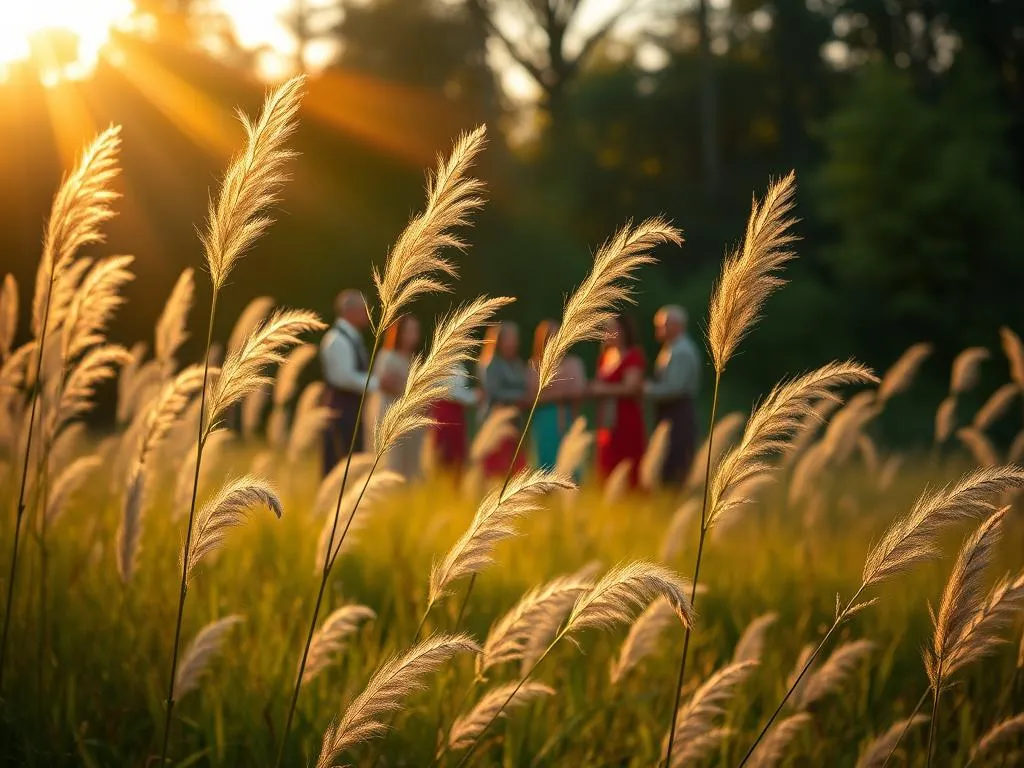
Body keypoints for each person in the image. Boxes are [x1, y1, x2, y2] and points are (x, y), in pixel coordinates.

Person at [319, 289, 379, 476]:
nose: (368, 313)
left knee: (352, 461)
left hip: (352, 408)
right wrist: (378, 383)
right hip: (341, 410)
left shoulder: (351, 336)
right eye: (364, 309)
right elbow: (343, 377)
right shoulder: (337, 339)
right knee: (339, 461)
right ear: (350, 311)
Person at [590, 312, 647, 488]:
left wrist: (603, 389)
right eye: (606, 330)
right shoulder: (605, 357)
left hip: (626, 418)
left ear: (623, 331)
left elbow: (632, 388)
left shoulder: (633, 355)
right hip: (607, 420)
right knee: (607, 464)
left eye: (612, 329)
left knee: (627, 463)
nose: (608, 334)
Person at [646, 305, 701, 485]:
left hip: (677, 412)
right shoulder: (672, 348)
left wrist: (646, 389)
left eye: (662, 325)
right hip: (672, 411)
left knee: (675, 460)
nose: (658, 330)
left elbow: (675, 388)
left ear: (677, 326)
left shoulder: (681, 351)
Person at [366, 314, 423, 480]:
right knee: (392, 461)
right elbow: (386, 383)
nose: (413, 335)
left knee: (411, 465)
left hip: (412, 418)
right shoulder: (387, 356)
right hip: (390, 415)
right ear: (398, 332)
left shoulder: (414, 359)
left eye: (415, 331)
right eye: (409, 331)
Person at [528, 319, 586, 470]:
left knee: (569, 463)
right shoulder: (535, 365)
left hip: (569, 417)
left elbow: (579, 391)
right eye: (549, 336)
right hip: (544, 419)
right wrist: (561, 394)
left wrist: (552, 393)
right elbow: (531, 397)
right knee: (545, 462)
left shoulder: (574, 362)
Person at [478, 321, 530, 478]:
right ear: (499, 341)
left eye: (515, 338)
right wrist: (519, 398)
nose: (514, 342)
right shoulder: (491, 364)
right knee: (496, 472)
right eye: (510, 338)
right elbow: (493, 392)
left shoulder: (518, 364)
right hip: (496, 424)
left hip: (514, 424)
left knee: (516, 470)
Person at [428, 362, 479, 478]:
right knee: (443, 454)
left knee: (458, 457)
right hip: (444, 415)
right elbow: (451, 391)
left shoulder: (460, 364)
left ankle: (454, 489)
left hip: (457, 415)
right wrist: (473, 397)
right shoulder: (440, 362)